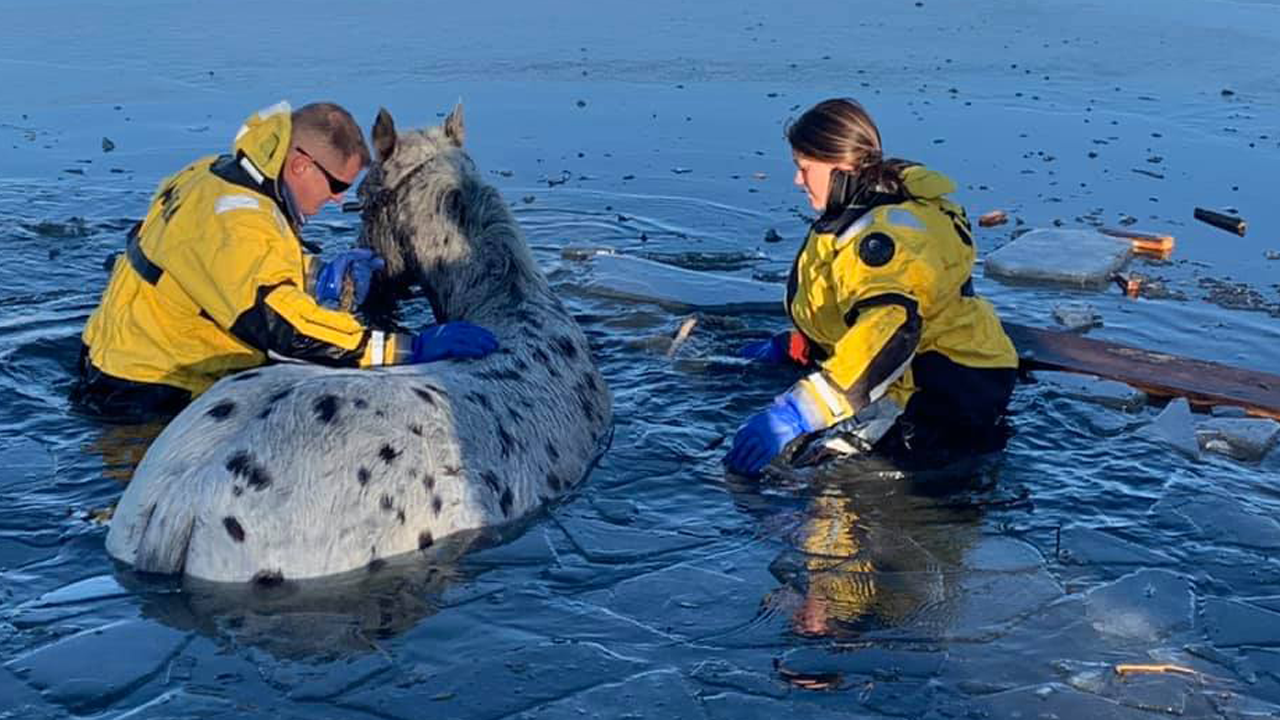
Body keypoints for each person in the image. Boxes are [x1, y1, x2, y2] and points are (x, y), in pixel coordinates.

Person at [75, 101, 497, 420]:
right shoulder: (238, 223)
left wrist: (319, 276)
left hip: (114, 362)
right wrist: (408, 348)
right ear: (299, 165)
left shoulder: (212, 176)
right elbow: (287, 330)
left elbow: (225, 268)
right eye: (335, 184)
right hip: (150, 396)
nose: (338, 199)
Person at [724, 98, 1019, 476]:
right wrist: (802, 346)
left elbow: (889, 331)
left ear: (842, 167)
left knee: (811, 477)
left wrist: (799, 411)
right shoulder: (861, 211)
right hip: (918, 372)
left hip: (942, 388)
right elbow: (852, 305)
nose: (798, 180)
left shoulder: (882, 237)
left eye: (804, 168)